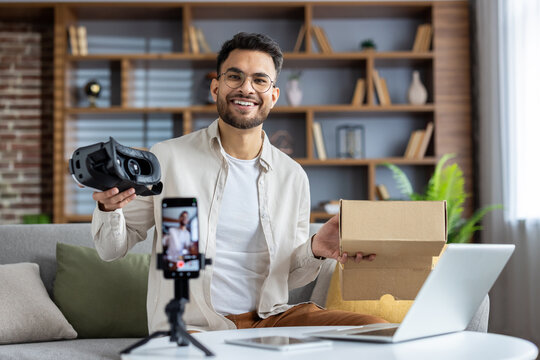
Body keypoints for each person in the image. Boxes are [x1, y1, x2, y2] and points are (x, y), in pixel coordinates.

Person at [91, 32, 386, 333]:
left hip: (270, 319)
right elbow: (110, 249)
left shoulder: (292, 176)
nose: (246, 88)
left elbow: (291, 278)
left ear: (273, 95)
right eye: (235, 76)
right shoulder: (168, 159)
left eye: (260, 80)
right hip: (194, 325)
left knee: (378, 330)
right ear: (216, 87)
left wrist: (316, 249)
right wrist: (107, 208)